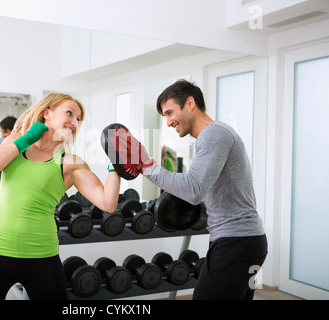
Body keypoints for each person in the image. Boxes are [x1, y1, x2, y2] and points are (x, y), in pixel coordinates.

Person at [113, 79, 267, 300]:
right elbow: (201, 191)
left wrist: (145, 166)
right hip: (242, 242)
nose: (167, 122)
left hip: (236, 243)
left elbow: (193, 190)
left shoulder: (214, 134)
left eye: (169, 112)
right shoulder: (211, 136)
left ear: (190, 103)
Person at [0, 93, 120, 300]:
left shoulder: (70, 162)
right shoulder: (16, 143)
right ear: (47, 113)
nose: (74, 122)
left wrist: (116, 166)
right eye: (69, 113)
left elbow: (107, 203)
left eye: (78, 119)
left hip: (42, 256)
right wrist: (26, 138)